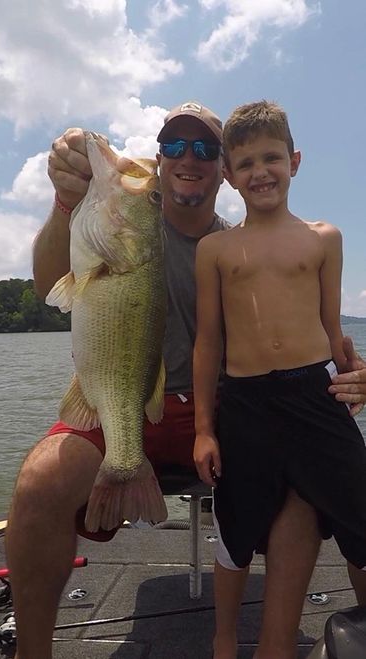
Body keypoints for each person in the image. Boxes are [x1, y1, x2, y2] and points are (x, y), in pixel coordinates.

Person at [4, 100, 366, 659]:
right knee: (38, 483)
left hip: (223, 409)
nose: (187, 157)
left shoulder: (237, 245)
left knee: (301, 492)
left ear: (223, 169)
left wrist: (352, 371)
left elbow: (306, 331)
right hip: (120, 401)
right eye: (174, 145)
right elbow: (51, 284)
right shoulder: (109, 227)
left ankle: (273, 647)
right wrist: (66, 197)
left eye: (204, 147)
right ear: (158, 159)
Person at [193, 99, 366, 659]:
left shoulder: (324, 238)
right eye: (244, 163)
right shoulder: (215, 249)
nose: (260, 172)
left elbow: (331, 327)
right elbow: (209, 343)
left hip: (314, 395)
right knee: (235, 531)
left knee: (361, 513)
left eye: (271, 158)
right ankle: (224, 639)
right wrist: (203, 428)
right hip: (245, 403)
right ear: (228, 176)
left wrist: (355, 378)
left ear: (295, 161)